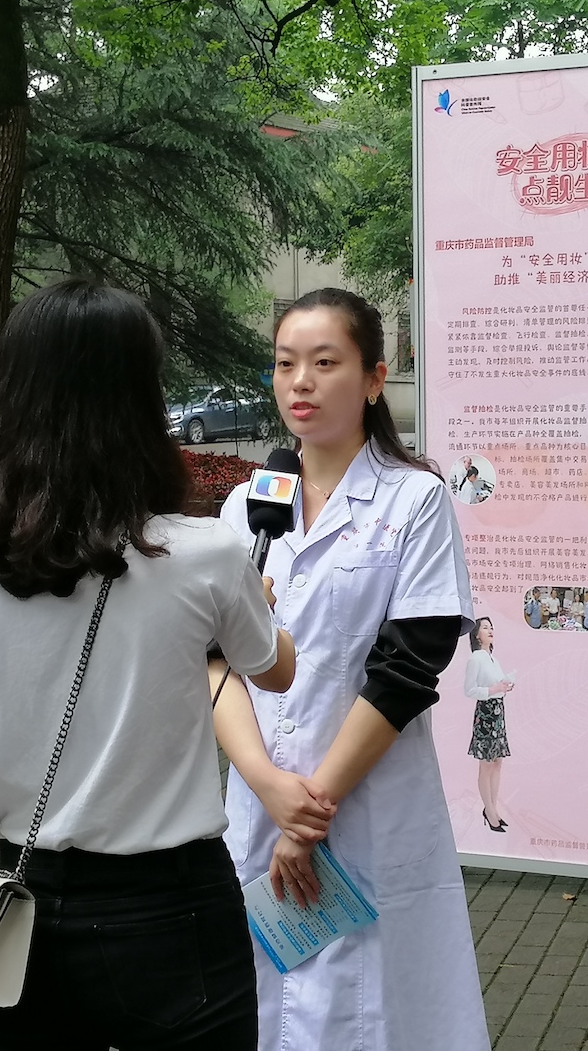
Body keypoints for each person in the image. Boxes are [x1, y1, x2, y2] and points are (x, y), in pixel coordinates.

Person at [0, 279, 296, 1050]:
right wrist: (255, 602)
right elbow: (275, 671)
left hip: (16, 916)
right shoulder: (205, 555)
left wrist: (24, 798)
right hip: (171, 914)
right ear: (139, 401)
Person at [210, 287, 490, 1050]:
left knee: (376, 1013)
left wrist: (312, 811)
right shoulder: (244, 509)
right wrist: (268, 785)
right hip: (259, 801)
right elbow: (213, 659)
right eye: (284, 364)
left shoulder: (414, 499)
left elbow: (409, 667)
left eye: (325, 362)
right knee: (260, 1009)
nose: (300, 382)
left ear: (373, 379)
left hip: (367, 809)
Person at [465, 617, 513, 832]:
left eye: (491, 627)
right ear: (477, 635)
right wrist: (493, 690)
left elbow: (497, 683)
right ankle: (490, 811)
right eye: (485, 628)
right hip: (486, 714)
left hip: (498, 712)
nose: (490, 630)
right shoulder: (475, 659)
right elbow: (469, 690)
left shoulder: (493, 658)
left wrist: (505, 686)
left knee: (497, 762)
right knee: (486, 765)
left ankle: (492, 808)